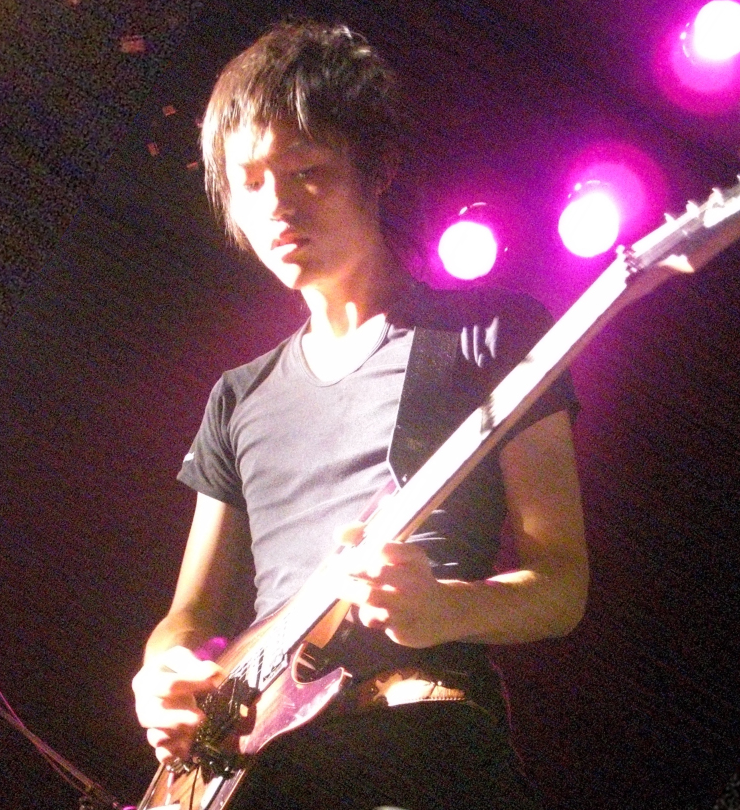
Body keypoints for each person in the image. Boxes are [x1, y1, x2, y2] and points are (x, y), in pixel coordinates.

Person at [130, 20, 587, 810]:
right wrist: (163, 672)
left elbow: (561, 586)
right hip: (267, 768)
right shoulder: (237, 397)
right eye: (249, 182)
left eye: (305, 171)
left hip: (419, 743)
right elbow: (190, 615)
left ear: (376, 169)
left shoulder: (491, 334)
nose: (276, 206)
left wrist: (444, 608)